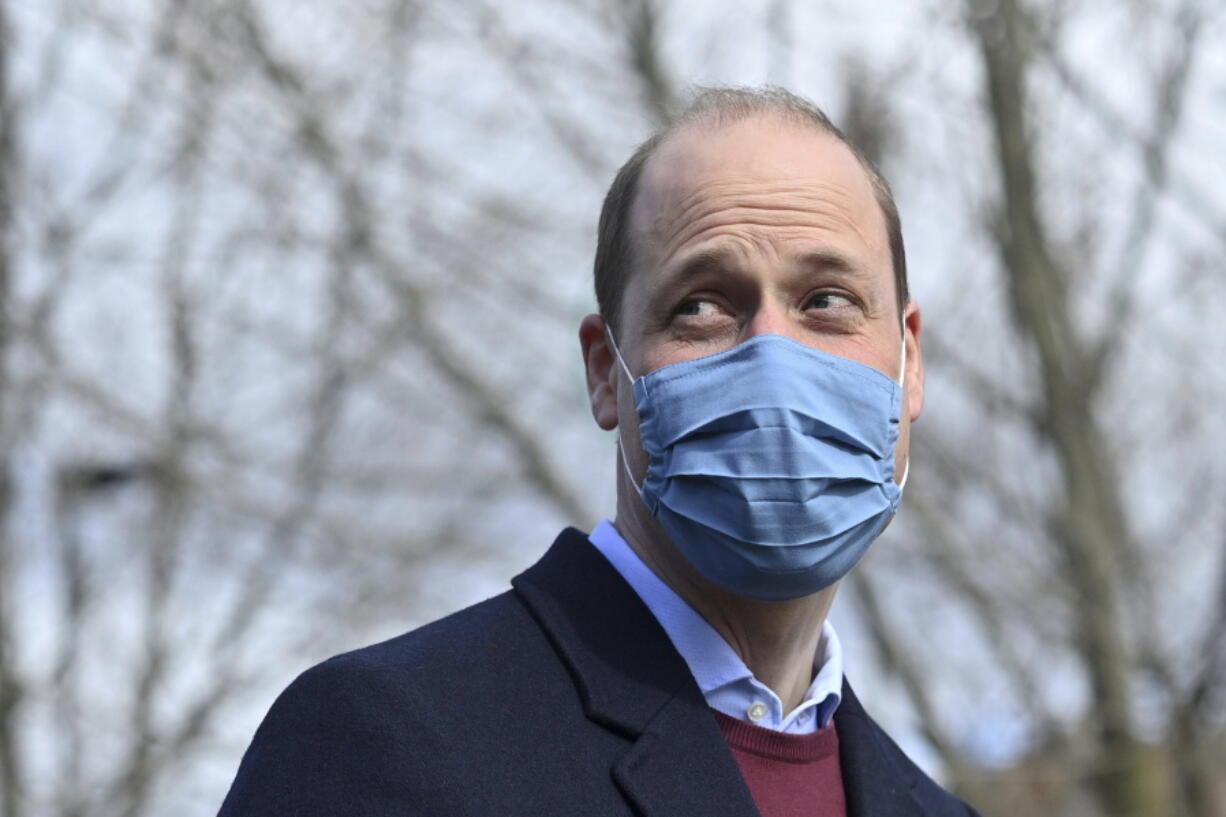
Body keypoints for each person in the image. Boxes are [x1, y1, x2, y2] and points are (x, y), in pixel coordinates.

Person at [219, 86, 981, 817]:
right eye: (703, 306)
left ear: (909, 361)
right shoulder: (387, 740)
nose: (774, 359)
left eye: (826, 300)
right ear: (605, 372)